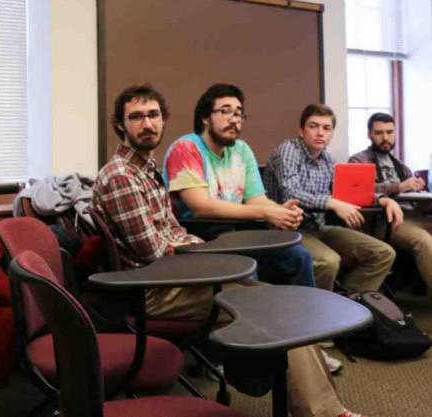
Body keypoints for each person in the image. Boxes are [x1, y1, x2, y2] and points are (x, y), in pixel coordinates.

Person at [90, 85, 370, 417]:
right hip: (152, 289)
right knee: (274, 307)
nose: (147, 124)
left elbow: (173, 232)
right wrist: (209, 256)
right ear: (120, 125)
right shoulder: (122, 176)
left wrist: (208, 249)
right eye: (136, 117)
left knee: (284, 302)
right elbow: (154, 253)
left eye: (153, 115)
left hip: (175, 276)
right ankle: (319, 408)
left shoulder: (144, 170)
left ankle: (317, 402)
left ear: (163, 120)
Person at [163, 84, 315, 288]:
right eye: (225, 111)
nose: (234, 119)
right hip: (200, 239)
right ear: (205, 118)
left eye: (239, 114)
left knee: (299, 257)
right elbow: (201, 207)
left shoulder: (241, 150)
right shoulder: (186, 148)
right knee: (247, 274)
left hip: (237, 235)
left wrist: (282, 212)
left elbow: (256, 199)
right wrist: (265, 212)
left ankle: (303, 318)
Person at [264, 104, 397, 293]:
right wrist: (331, 202)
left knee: (383, 253)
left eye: (326, 128)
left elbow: (349, 191)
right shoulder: (288, 150)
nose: (320, 133)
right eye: (313, 126)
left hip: (317, 227)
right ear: (301, 130)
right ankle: (321, 315)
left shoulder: (327, 159)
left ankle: (349, 304)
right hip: (285, 229)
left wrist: (382, 199)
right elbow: (291, 194)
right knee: (328, 260)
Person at [348, 112, 432, 293]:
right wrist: (399, 187)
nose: (385, 137)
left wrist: (420, 191)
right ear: (369, 134)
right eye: (379, 133)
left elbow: (413, 197)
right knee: (424, 241)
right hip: (386, 220)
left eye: (389, 132)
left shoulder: (400, 165)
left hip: (413, 214)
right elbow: (361, 191)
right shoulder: (358, 161)